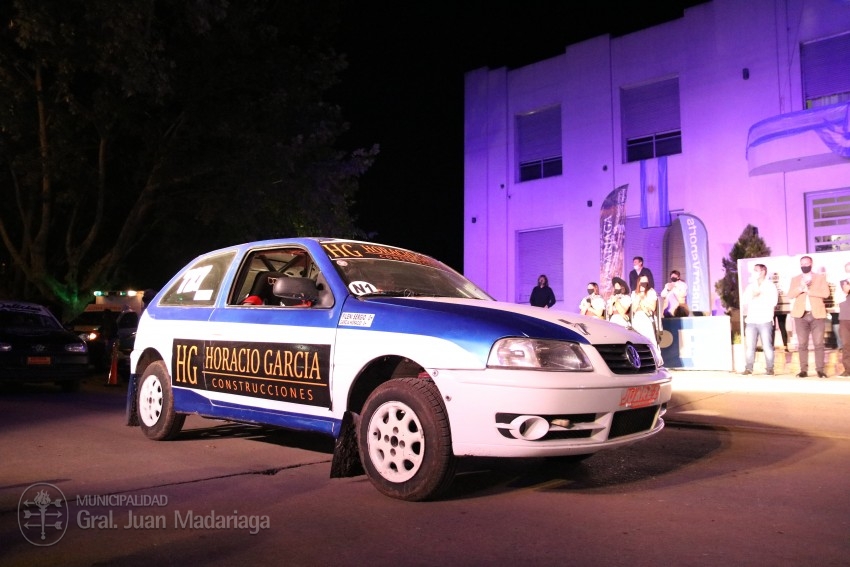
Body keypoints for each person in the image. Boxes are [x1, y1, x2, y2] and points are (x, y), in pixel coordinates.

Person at [786, 255, 830, 378]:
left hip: (817, 315)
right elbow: (790, 295)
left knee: (818, 343)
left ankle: (820, 370)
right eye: (802, 264)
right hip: (801, 315)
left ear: (811, 264)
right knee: (802, 344)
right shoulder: (795, 279)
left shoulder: (820, 278)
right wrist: (800, 288)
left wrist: (809, 291)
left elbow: (826, 294)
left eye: (807, 263)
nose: (804, 266)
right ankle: (803, 370)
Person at [740, 263, 779, 375]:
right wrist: (753, 295)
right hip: (751, 320)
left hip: (765, 319)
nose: (754, 272)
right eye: (753, 270)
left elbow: (774, 302)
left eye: (756, 270)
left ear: (763, 272)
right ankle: (748, 368)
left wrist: (762, 295)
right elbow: (744, 300)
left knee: (767, 346)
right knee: (750, 347)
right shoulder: (750, 286)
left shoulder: (770, 286)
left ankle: (770, 368)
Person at [630, 275, 660, 351]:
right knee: (636, 338)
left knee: (649, 338)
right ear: (639, 282)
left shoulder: (651, 292)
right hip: (637, 318)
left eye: (646, 282)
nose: (644, 283)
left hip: (647, 317)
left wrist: (643, 300)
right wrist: (639, 296)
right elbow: (634, 309)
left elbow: (652, 307)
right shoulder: (634, 293)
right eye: (642, 281)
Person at [838, 279, 850, 377]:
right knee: (846, 345)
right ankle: (848, 369)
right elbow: (838, 299)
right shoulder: (842, 282)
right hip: (845, 318)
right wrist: (845, 291)